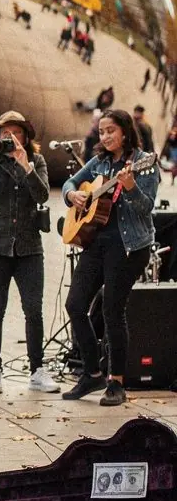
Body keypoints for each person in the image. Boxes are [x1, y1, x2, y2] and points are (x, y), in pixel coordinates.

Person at [62, 109, 159, 406]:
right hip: (97, 242)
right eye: (102, 131)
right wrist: (72, 196)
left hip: (129, 246)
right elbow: (70, 183)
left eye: (111, 131)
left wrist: (129, 188)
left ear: (125, 132)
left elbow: (146, 208)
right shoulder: (100, 162)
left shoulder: (144, 164)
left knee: (112, 311)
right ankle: (91, 372)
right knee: (75, 304)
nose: (105, 136)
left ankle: (116, 382)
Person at [0, 111, 58, 395]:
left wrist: (25, 164)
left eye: (16, 133)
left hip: (29, 245)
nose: (10, 138)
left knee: (34, 309)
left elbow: (42, 195)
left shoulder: (36, 161)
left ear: (25, 136)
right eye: (5, 134)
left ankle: (37, 370)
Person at [161, 117, 177, 183]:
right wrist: (172, 136)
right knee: (174, 164)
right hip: (174, 150)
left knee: (175, 165)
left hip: (174, 149)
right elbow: (169, 141)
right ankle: (173, 178)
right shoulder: (172, 131)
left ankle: (173, 177)